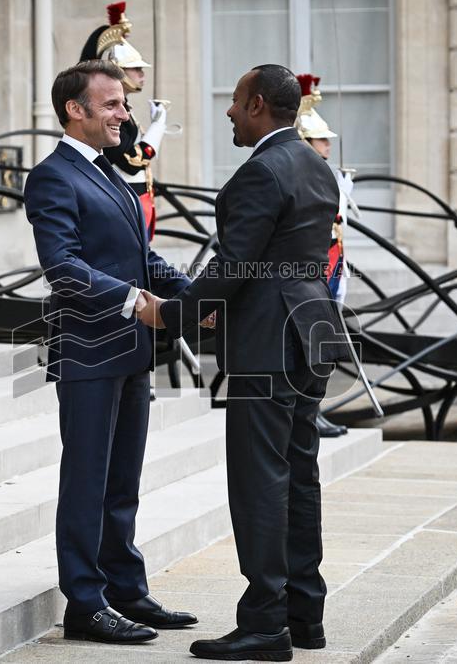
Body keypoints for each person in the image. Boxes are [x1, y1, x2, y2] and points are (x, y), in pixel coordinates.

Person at [137, 64, 351, 661]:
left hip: (269, 340)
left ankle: (264, 625)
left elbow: (234, 265)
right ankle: (304, 615)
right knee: (299, 475)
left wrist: (170, 315)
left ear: (257, 105)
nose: (229, 111)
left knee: (260, 482)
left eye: (235, 101)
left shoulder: (263, 169)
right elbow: (282, 260)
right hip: (310, 329)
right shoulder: (315, 164)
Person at [23, 59, 196, 644]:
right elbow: (62, 267)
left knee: (122, 482)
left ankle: (125, 589)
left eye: (124, 103)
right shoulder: (52, 177)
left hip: (130, 351)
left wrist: (197, 297)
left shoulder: (111, 171)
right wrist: (137, 302)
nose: (125, 113)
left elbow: (142, 257)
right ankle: (85, 603)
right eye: (113, 104)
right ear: (76, 110)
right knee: (87, 481)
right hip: (88, 352)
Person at [296, 73, 363, 439]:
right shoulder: (307, 175)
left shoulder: (321, 173)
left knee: (324, 340)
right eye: (321, 140)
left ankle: (315, 409)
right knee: (314, 343)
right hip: (314, 269)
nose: (328, 145)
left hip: (332, 264)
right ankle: (310, 411)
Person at [79, 1, 168, 241]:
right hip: (125, 200)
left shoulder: (126, 110)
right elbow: (130, 162)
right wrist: (158, 127)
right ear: (117, 70)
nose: (142, 74)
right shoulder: (109, 114)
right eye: (135, 68)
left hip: (135, 198)